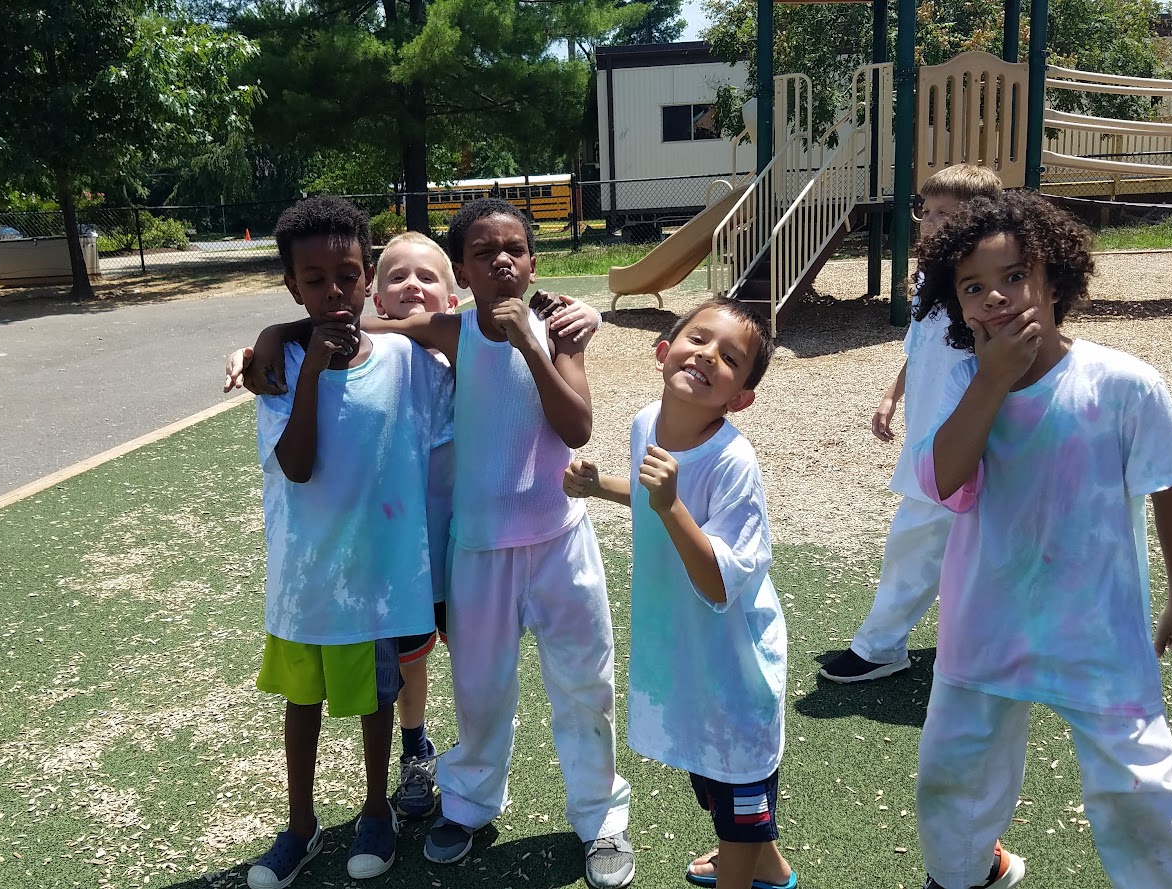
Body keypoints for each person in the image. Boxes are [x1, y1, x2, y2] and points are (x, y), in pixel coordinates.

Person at [240, 198, 634, 889]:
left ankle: (600, 818)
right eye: (483, 253)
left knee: (584, 684)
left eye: (514, 249)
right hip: (478, 546)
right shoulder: (449, 332)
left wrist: (538, 339)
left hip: (559, 541)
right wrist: (274, 334)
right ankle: (470, 804)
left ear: (534, 263)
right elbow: (355, 319)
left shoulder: (559, 331)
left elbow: (576, 428)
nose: (501, 261)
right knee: (479, 689)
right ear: (463, 273)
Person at [910, 190, 1172, 889]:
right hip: (986, 619)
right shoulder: (962, 381)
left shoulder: (1124, 383)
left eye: (1014, 276)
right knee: (954, 771)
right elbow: (943, 478)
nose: (995, 297)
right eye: (972, 287)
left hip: (1095, 626)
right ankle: (961, 875)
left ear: (1054, 280)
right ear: (956, 305)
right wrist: (992, 381)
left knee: (1140, 783)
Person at [243, 197, 452, 889]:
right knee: (301, 703)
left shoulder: (403, 359)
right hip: (305, 579)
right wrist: (304, 362)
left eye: (348, 276)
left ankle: (374, 812)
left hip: (378, 577)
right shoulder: (276, 368)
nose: (333, 291)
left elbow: (468, 361)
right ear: (292, 286)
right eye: (314, 280)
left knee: (375, 701)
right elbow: (297, 465)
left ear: (367, 280)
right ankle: (300, 824)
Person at [564, 297, 794, 889]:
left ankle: (743, 861)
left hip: (735, 665)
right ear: (664, 351)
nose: (709, 355)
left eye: (731, 358)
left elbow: (719, 581)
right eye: (698, 339)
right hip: (690, 654)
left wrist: (671, 507)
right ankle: (766, 863)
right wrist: (601, 485)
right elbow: (650, 493)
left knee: (738, 783)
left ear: (740, 398)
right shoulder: (647, 422)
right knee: (715, 779)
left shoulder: (733, 461)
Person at [820, 163, 1004, 684]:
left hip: (962, 442)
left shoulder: (984, 287)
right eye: (928, 211)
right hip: (932, 440)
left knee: (916, 542)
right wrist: (890, 396)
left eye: (948, 213)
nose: (933, 222)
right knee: (956, 544)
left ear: (981, 220)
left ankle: (880, 646)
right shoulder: (929, 278)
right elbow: (919, 349)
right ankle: (987, 640)